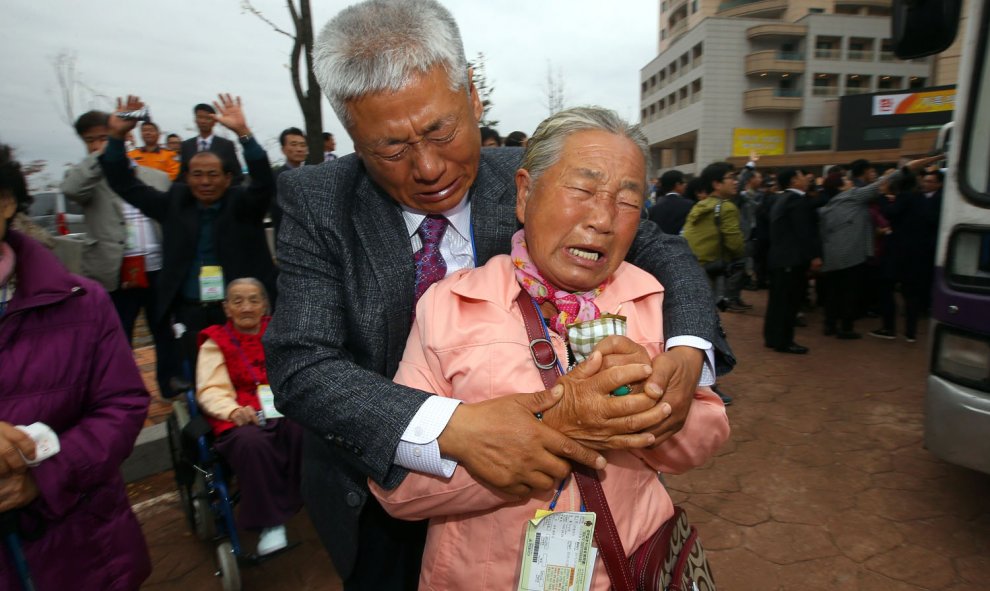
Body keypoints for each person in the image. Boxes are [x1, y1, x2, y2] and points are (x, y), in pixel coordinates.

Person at [266, 1, 734, 588]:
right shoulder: (318, 202)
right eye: (391, 148)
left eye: (442, 130)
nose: (430, 167)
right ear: (353, 137)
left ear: (473, 98)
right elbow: (301, 363)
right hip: (377, 482)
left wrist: (689, 349)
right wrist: (456, 428)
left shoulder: (542, 178)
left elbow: (662, 249)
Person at [370, 107, 730, 590]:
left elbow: (706, 435)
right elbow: (399, 489)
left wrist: (650, 403)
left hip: (627, 570)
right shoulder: (449, 306)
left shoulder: (651, 296)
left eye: (627, 201)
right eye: (581, 190)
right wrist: (545, 434)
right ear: (524, 192)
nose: (602, 220)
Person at [0, 144, 151, 589]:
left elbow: (123, 404)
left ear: (7, 201)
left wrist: (44, 477)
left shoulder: (81, 303)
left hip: (82, 549)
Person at [100, 94, 277, 375]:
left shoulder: (242, 205)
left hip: (240, 310)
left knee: (250, 373)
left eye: (212, 174)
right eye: (196, 174)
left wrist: (244, 134)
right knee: (202, 374)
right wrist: (116, 137)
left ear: (228, 178)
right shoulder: (174, 204)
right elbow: (124, 184)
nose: (205, 181)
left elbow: (265, 181)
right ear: (186, 177)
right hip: (190, 310)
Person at [61, 110, 179, 396]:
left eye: (105, 137)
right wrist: (102, 154)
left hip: (157, 267)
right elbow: (71, 189)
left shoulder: (157, 177)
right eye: (91, 140)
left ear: (125, 136)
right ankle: (124, 389)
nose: (97, 144)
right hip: (114, 270)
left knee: (164, 329)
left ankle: (170, 382)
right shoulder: (86, 178)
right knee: (117, 333)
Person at [195, 278, 302, 556]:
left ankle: (309, 498)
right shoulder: (215, 341)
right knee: (252, 445)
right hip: (242, 418)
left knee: (308, 430)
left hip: (282, 409)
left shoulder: (279, 332)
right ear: (226, 307)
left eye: (254, 300)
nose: (246, 307)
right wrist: (232, 410)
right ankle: (271, 524)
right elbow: (210, 388)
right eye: (238, 301)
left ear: (265, 305)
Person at [764, 167, 822, 354]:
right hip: (791, 259)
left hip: (778, 259)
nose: (806, 179)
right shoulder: (798, 202)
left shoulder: (780, 199)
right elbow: (804, 233)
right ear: (793, 180)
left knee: (777, 302)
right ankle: (785, 341)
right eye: (802, 176)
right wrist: (814, 256)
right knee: (789, 303)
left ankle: (772, 337)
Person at [682, 162, 746, 311]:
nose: (735, 181)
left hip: (692, 265)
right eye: (731, 177)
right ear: (717, 184)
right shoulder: (727, 207)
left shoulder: (701, 205)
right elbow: (735, 243)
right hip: (711, 269)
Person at [180, 103, 245, 185]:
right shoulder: (186, 146)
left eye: (207, 118)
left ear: (215, 121)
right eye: (200, 117)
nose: (203, 121)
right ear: (195, 120)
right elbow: (182, 175)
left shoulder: (226, 145)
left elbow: (237, 175)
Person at [270, 127, 309, 235]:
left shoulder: (312, 176)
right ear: (283, 149)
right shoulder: (275, 177)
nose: (299, 149)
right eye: (294, 144)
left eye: (302, 145)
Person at [647, 169, 693, 235]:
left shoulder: (653, 209)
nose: (685, 185)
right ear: (677, 185)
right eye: (683, 183)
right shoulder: (689, 205)